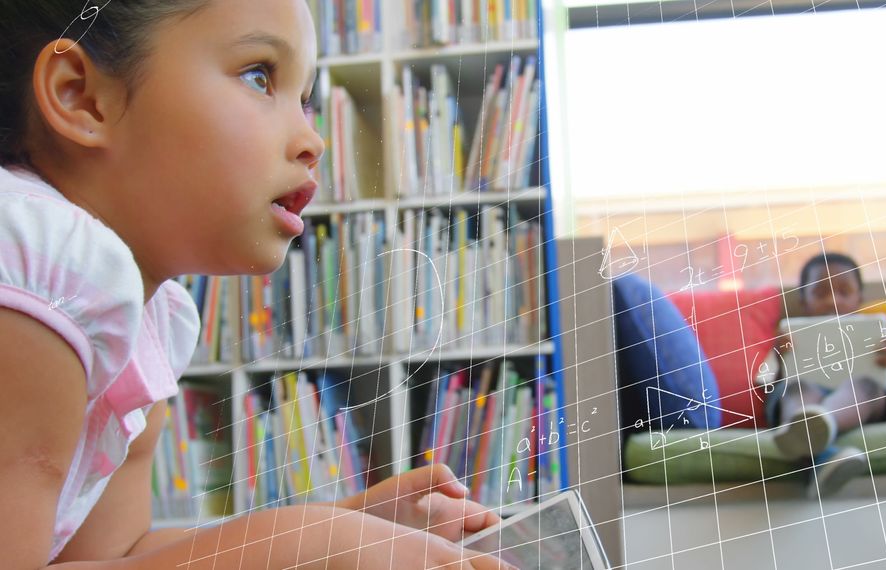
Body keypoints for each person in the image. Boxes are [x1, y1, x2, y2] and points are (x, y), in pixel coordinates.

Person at [0, 1, 511, 568]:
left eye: (306, 101)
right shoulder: (34, 268)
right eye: (259, 75)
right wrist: (310, 546)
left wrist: (351, 526)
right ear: (81, 97)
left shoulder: (146, 316)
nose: (312, 140)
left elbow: (110, 555)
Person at [755, 253, 886, 499]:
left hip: (864, 402)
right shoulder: (790, 338)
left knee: (864, 386)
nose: (833, 301)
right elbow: (763, 394)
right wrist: (780, 362)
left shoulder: (882, 336)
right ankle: (824, 456)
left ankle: (819, 424)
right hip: (805, 398)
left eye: (844, 292)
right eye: (820, 293)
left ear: (859, 298)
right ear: (803, 300)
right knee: (797, 390)